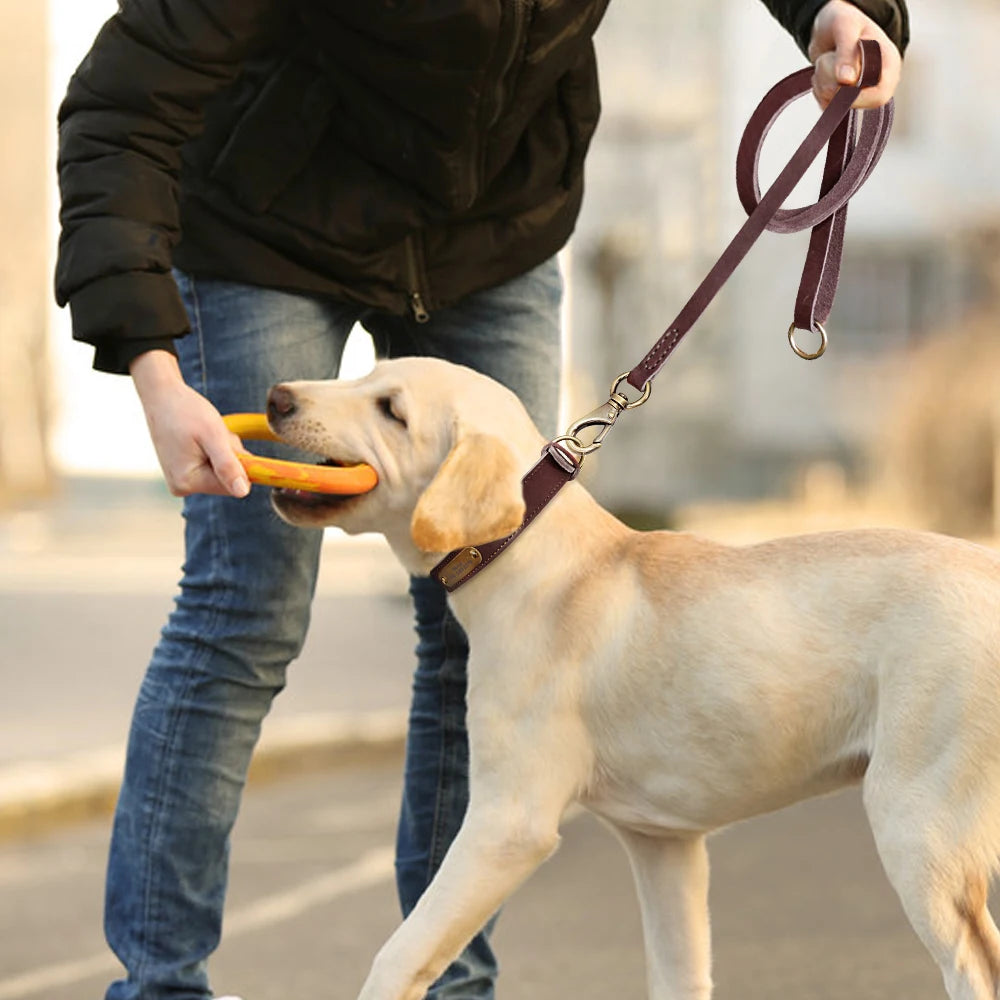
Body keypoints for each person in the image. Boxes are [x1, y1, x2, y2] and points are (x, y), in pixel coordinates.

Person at [55, 1, 907, 997]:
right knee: (246, 602)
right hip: (267, 227)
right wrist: (154, 369)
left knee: (498, 603)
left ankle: (447, 982)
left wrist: (843, 7)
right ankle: (159, 985)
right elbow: (122, 104)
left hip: (489, 231)